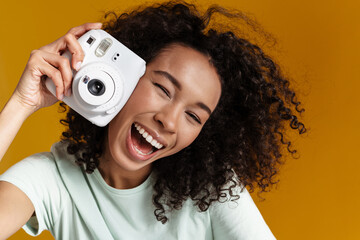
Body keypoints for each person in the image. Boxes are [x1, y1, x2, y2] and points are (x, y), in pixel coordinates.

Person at [0, 1, 306, 239]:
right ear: (125, 74)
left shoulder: (212, 188)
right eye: (163, 89)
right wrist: (21, 104)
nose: (170, 122)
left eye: (193, 116)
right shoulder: (52, 178)